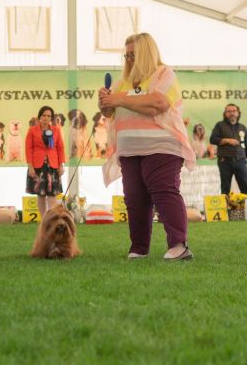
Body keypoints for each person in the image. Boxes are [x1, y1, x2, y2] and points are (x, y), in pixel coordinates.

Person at [98, 32, 196, 261]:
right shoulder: (122, 82)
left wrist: (119, 99)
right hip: (130, 150)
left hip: (162, 146)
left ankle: (179, 246)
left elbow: (157, 103)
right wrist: (104, 101)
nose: (129, 59)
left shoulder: (164, 73)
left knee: (164, 192)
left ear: (146, 53)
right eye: (127, 55)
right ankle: (139, 248)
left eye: (133, 55)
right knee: (134, 198)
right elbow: (109, 112)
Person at [25, 105, 66, 218]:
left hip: (53, 165)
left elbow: (60, 148)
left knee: (52, 195)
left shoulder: (56, 130)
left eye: (49, 116)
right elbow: (28, 149)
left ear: (51, 118)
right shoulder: (32, 130)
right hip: (37, 166)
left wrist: (61, 165)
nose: (46, 118)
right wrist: (30, 166)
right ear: (40, 117)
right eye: (44, 115)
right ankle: (44, 219)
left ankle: (51, 218)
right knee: (41, 194)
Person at [209, 103, 247, 195]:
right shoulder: (220, 125)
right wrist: (227, 140)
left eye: (234, 111)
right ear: (225, 113)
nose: (232, 113)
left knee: (245, 186)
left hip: (241, 161)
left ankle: (244, 204)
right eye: (229, 111)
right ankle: (226, 205)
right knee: (225, 188)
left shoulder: (242, 127)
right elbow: (213, 139)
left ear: (238, 113)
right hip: (225, 161)